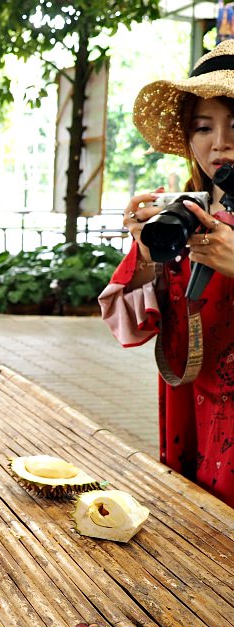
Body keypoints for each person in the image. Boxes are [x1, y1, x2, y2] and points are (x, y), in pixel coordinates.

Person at [99, 39, 234, 508]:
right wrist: (148, 254)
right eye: (203, 126)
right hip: (188, 405)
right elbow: (130, 323)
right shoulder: (186, 214)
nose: (221, 143)